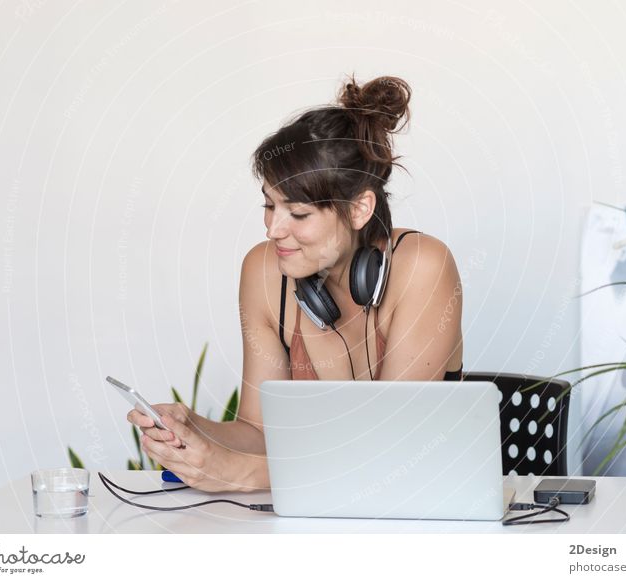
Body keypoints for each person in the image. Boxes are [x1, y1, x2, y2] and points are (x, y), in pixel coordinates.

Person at [127, 75, 464, 492]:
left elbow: (392, 453)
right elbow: (258, 431)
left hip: (422, 512)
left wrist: (242, 474)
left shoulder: (423, 267)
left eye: (298, 214)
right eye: (269, 206)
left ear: (359, 209)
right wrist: (192, 427)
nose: (273, 229)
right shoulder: (264, 271)